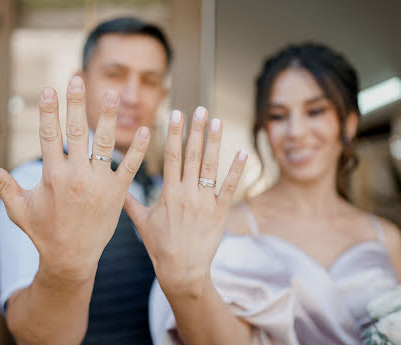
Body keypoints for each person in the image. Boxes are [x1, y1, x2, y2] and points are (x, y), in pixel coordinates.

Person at [124, 43, 401, 345]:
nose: (295, 131)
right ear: (264, 128)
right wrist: (188, 287)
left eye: (315, 111)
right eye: (278, 116)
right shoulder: (228, 227)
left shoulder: (386, 238)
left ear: (349, 122)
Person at [0, 17, 172, 345]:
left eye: (149, 80)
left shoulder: (164, 190)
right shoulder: (35, 184)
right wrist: (65, 268)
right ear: (81, 81)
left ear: (162, 93)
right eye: (115, 75)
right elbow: (32, 333)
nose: (133, 95)